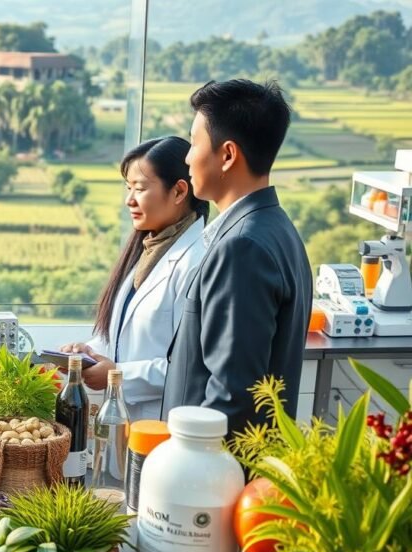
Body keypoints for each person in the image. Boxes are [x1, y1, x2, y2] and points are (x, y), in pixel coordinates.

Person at [162, 79, 312, 436]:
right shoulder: (277, 228)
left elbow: (232, 397)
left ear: (227, 155)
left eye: (194, 143)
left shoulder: (242, 247)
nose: (187, 158)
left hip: (217, 462)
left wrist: (187, 461)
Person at [60, 136, 209, 420]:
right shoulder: (148, 251)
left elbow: (191, 366)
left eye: (139, 189)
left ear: (179, 191)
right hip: (126, 419)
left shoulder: (196, 262)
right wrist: (89, 353)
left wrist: (117, 375)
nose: (129, 200)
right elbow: (125, 340)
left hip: (162, 422)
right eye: (128, 188)